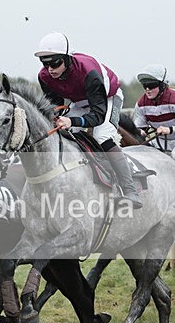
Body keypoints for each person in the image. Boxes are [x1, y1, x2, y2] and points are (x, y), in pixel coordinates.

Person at [35, 32, 142, 209]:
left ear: (67, 59)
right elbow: (54, 105)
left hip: (107, 99)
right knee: (63, 134)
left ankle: (130, 191)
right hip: (79, 101)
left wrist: (73, 121)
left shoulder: (89, 73)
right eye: (45, 64)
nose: (50, 69)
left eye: (55, 63)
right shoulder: (44, 76)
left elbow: (98, 116)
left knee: (102, 137)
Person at [132, 64, 175, 174]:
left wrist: (170, 130)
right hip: (161, 141)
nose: (147, 89)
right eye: (144, 85)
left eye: (151, 85)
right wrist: (141, 131)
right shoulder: (141, 104)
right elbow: (140, 127)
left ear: (162, 85)